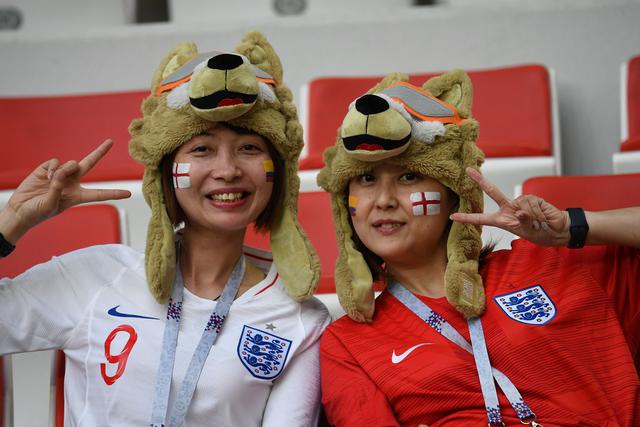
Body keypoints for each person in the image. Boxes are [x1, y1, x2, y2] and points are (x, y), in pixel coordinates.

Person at [0, 32, 330, 426]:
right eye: (202, 149)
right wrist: (9, 225)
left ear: (277, 175)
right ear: (165, 174)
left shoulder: (300, 318)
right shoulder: (96, 277)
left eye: (249, 148)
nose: (227, 170)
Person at [317, 70, 639, 426]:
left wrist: (571, 230)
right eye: (366, 179)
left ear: (454, 192)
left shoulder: (552, 264)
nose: (383, 201)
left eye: (408, 177)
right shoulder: (348, 342)